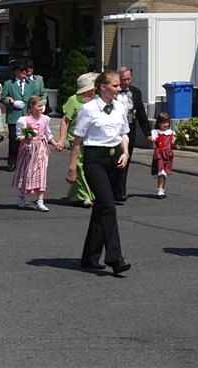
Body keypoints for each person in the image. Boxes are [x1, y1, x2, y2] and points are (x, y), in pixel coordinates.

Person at [66, 70, 131, 275]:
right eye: (115, 85)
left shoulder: (120, 106)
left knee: (101, 209)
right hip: (94, 159)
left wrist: (126, 152)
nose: (119, 89)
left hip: (114, 159)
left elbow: (124, 133)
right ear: (102, 87)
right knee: (108, 207)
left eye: (119, 85)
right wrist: (72, 166)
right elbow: (78, 139)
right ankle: (115, 257)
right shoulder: (88, 109)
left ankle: (89, 257)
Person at [12, 96, 62, 211]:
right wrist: (27, 136)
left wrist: (56, 144)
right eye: (39, 105)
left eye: (42, 105)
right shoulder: (23, 120)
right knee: (26, 172)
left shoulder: (45, 119)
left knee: (41, 172)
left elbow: (48, 134)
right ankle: (21, 196)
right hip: (28, 149)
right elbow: (19, 136)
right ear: (31, 107)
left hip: (41, 149)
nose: (41, 108)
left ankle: (40, 200)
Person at [59, 72, 98, 208]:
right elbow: (65, 120)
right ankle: (87, 196)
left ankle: (74, 194)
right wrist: (62, 139)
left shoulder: (97, 100)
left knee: (88, 167)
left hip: (92, 139)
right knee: (79, 167)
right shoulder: (73, 100)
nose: (93, 91)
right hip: (75, 139)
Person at [114, 66, 151, 202]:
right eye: (124, 79)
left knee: (125, 160)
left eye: (129, 79)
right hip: (113, 130)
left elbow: (141, 113)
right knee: (113, 160)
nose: (127, 82)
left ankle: (120, 191)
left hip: (129, 129)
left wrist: (147, 133)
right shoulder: (113, 91)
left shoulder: (136, 92)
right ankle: (111, 190)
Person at [2, 61, 34, 171]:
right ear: (16, 72)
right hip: (14, 116)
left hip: (27, 117)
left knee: (27, 140)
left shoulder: (31, 84)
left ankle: (25, 163)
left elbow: (35, 97)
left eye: (26, 71)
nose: (24, 73)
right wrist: (11, 101)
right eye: (22, 71)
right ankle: (12, 162)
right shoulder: (8, 84)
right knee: (14, 141)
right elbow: (3, 97)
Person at [151, 112, 176, 199]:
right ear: (158, 123)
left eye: (167, 122)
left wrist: (175, 141)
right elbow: (153, 140)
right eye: (163, 123)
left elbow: (173, 144)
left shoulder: (171, 133)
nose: (165, 124)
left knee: (165, 173)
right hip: (160, 154)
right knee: (160, 172)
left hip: (168, 155)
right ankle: (160, 190)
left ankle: (162, 189)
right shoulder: (156, 132)